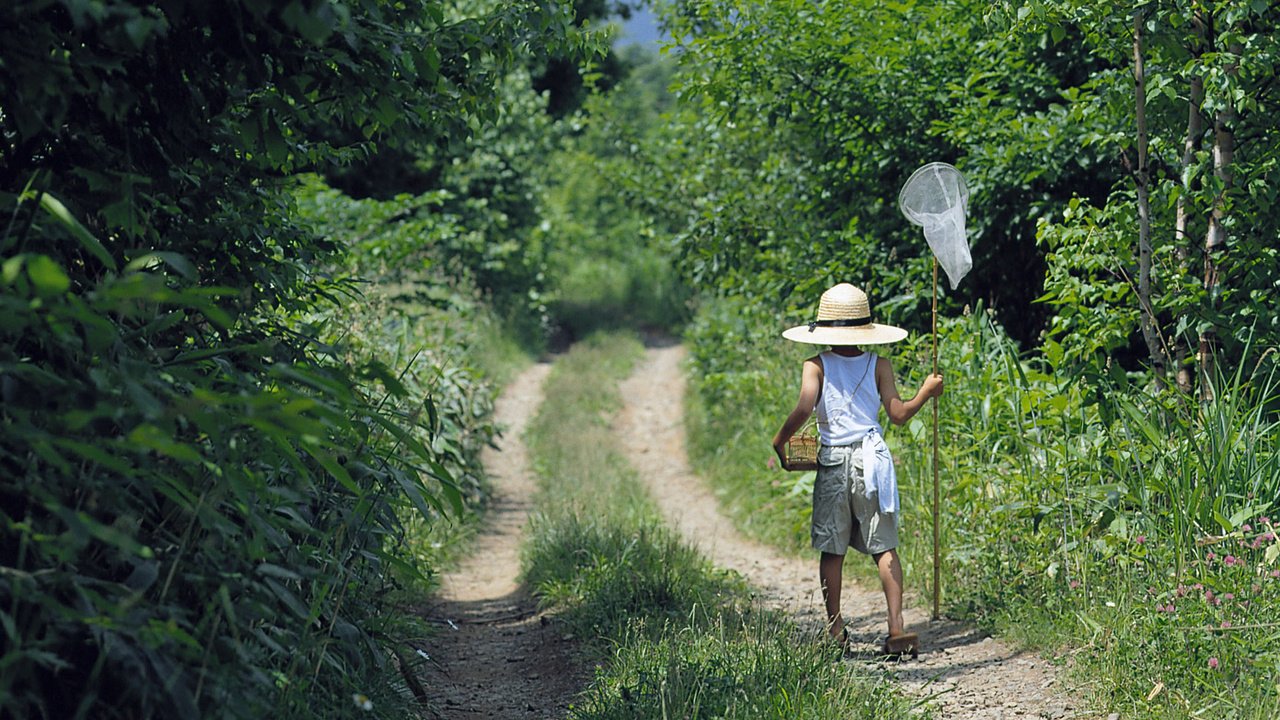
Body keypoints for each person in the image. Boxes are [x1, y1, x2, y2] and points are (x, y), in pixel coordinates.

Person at [771, 282, 943, 658]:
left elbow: (803, 409)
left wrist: (780, 440)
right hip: (872, 461)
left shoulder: (814, 365)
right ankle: (896, 629)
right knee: (884, 546)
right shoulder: (879, 364)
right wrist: (926, 392)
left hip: (833, 460)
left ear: (826, 328)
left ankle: (836, 630)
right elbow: (897, 415)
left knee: (832, 550)